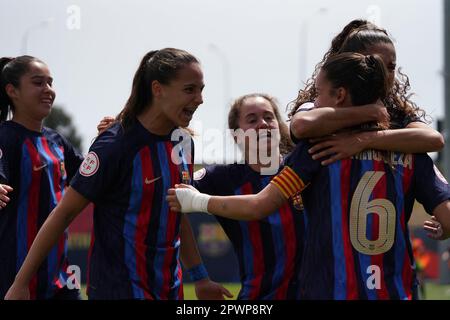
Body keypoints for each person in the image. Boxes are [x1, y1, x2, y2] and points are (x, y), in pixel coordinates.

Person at [167, 52, 450, 300]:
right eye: (251, 120)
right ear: (235, 133)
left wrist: (198, 201)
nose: (314, 102)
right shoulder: (411, 152)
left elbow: (259, 205)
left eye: (318, 94)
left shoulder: (315, 155)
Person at [4, 48, 231, 300]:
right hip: (118, 289)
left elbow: (175, 214)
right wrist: (21, 283)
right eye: (190, 89)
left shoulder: (183, 144)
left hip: (169, 290)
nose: (199, 99)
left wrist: (200, 278)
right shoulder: (114, 145)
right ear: (158, 89)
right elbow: (64, 213)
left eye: (201, 90)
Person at [192, 93, 304, 299]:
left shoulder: (304, 167)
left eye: (269, 118)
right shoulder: (222, 179)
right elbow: (169, 194)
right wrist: (199, 277)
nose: (263, 124)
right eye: (252, 120)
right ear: (236, 135)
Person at [289, 19, 443, 165]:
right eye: (376, 64)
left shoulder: (396, 112)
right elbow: (301, 126)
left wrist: (364, 139)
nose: (385, 74)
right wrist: (369, 112)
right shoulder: (320, 104)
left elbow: (434, 140)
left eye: (391, 67)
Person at [0, 55, 84, 299]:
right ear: (12, 91)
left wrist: (107, 140)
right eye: (38, 83)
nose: (48, 90)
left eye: (50, 83)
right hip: (13, 278)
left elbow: (91, 179)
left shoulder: (57, 142)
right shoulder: (6, 137)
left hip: (61, 276)